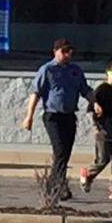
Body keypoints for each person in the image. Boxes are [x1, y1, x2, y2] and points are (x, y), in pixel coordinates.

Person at [21, 38, 97, 199]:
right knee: (60, 150)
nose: (67, 54)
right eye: (64, 51)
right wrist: (29, 117)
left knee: (65, 153)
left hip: (69, 116)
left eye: (70, 51)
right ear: (55, 51)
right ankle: (60, 187)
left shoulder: (75, 70)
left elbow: (85, 90)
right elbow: (35, 93)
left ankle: (52, 185)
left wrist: (94, 103)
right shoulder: (47, 70)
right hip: (53, 116)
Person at [79, 58, 112, 200]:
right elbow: (92, 107)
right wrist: (98, 122)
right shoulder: (101, 90)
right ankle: (88, 175)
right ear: (107, 73)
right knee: (103, 159)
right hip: (103, 130)